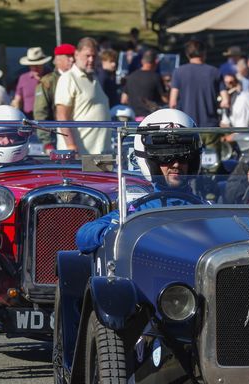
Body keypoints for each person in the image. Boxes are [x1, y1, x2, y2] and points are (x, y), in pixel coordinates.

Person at [75, 108, 202, 253]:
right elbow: (84, 236)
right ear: (150, 162)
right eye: (165, 157)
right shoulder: (138, 210)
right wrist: (116, 231)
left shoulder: (206, 209)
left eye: (183, 157)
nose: (176, 164)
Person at [54, 37, 111, 154]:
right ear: (76, 54)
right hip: (79, 155)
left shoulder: (94, 78)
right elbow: (61, 116)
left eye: (94, 56)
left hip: (100, 153)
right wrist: (71, 146)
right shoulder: (68, 78)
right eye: (87, 56)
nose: (91, 60)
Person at [169, 40, 229, 128]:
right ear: (204, 53)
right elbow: (226, 101)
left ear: (187, 54)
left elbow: (172, 103)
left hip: (186, 124)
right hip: (210, 126)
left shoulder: (178, 72)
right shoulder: (215, 72)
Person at [33, 43, 76, 146]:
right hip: (57, 136)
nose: (72, 60)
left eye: (73, 57)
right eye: (68, 57)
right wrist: (47, 142)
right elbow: (40, 113)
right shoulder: (48, 82)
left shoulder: (78, 78)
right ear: (58, 60)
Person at [120, 49, 166, 118]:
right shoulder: (156, 77)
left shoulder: (131, 76)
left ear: (142, 61)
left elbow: (123, 99)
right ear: (156, 62)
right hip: (150, 118)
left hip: (132, 118)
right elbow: (165, 99)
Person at [13, 47, 51, 118]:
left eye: (38, 65)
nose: (35, 68)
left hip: (49, 120)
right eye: (32, 65)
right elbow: (17, 100)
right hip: (28, 119)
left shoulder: (52, 77)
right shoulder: (23, 78)